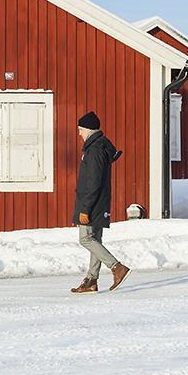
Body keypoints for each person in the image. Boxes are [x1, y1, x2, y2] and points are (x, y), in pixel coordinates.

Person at [70, 111, 130, 294]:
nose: (79, 133)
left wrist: (85, 209)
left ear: (88, 129)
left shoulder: (95, 149)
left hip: (92, 203)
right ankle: (91, 280)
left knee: (86, 238)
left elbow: (93, 182)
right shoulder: (97, 147)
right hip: (98, 201)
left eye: (81, 129)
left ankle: (117, 268)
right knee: (94, 239)